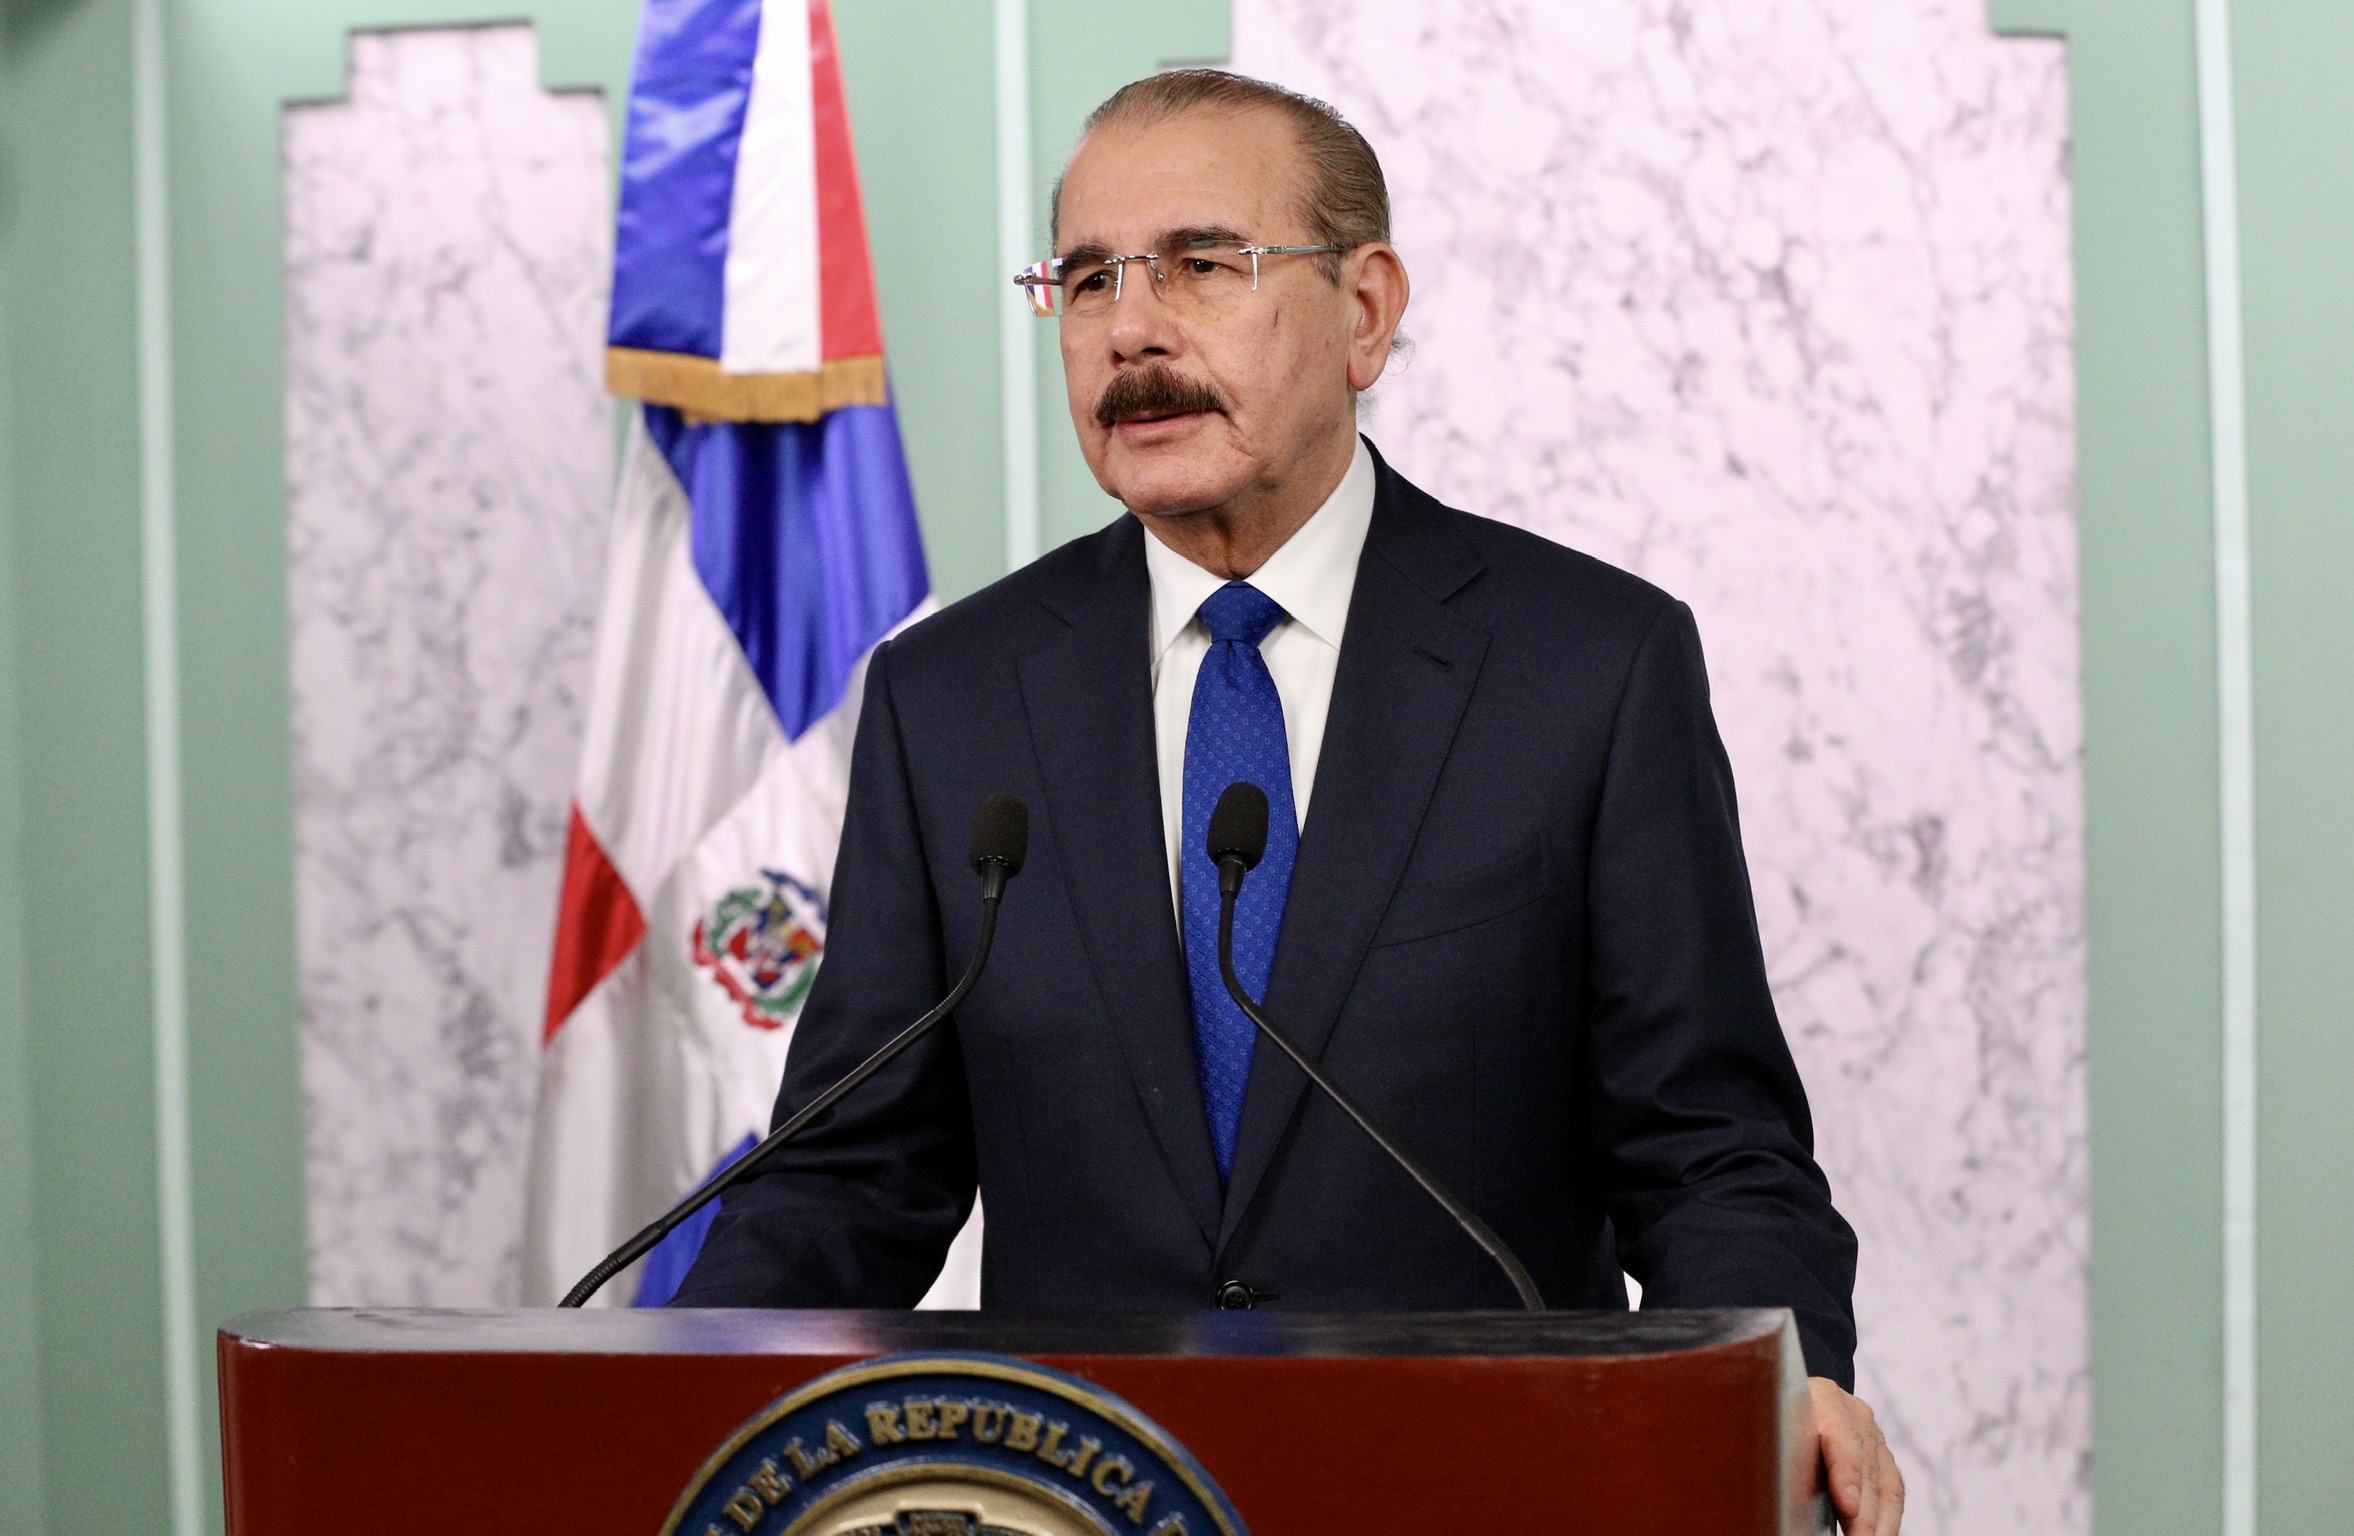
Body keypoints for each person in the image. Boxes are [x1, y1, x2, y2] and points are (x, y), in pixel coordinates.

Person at [674, 68, 1904, 1533]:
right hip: (1075, 1496)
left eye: (1201, 264)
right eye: (1086, 279)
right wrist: (671, 1414)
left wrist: (1784, 1382)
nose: (1130, 328)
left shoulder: (1586, 667)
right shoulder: (952, 695)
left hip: (1475, 1490)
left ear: (1365, 311)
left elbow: (1706, 1148)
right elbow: (846, 1180)